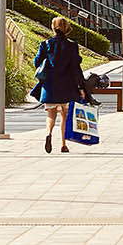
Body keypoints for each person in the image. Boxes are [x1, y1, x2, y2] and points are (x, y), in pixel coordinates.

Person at [31, 16, 89, 154]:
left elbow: (36, 62)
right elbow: (76, 68)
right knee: (65, 115)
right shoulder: (72, 46)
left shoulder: (45, 44)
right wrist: (81, 87)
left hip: (49, 86)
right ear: (67, 28)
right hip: (67, 86)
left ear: (53, 27)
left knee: (51, 115)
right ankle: (63, 144)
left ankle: (49, 134)